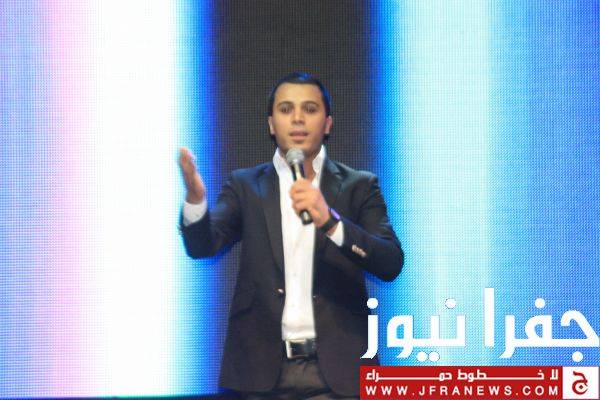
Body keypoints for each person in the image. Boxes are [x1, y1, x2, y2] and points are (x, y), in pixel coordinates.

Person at [178, 72, 403, 399]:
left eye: (309, 109)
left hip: (339, 373)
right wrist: (196, 199)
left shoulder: (359, 186)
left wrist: (331, 222)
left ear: (327, 123)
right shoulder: (245, 186)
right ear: (272, 124)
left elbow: (390, 263)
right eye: (286, 109)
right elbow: (202, 246)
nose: (297, 118)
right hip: (259, 373)